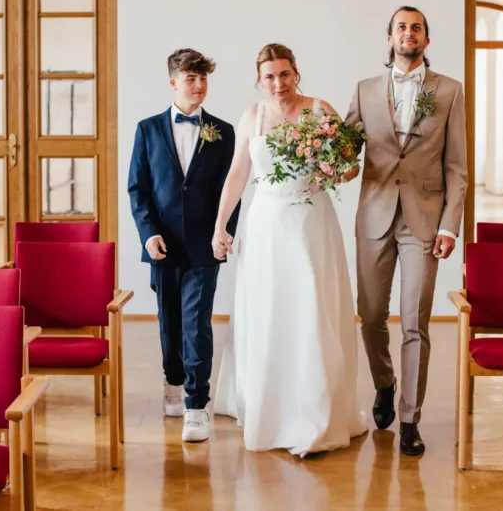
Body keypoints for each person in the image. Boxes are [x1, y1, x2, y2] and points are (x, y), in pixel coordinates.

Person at [211, 43, 368, 457]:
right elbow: (237, 174)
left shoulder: (320, 110)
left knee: (313, 307)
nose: (278, 83)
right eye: (269, 76)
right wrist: (220, 225)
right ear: (259, 80)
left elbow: (350, 165)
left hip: (311, 222)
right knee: (270, 309)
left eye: (284, 74)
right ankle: (270, 407)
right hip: (265, 225)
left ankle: (316, 411)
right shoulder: (253, 116)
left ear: (296, 73)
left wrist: (333, 167)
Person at [344, 6, 468, 456]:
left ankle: (410, 418)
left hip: (425, 221)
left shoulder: (449, 91)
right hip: (374, 217)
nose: (408, 33)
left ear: (426, 40)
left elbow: (457, 168)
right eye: (401, 27)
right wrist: (321, 163)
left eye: (417, 28)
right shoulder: (364, 90)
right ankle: (384, 382)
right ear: (390, 37)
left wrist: (450, 226)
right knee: (372, 316)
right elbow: (343, 152)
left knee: (415, 321)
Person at [127, 48, 239, 442]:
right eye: (191, 79)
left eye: (203, 78)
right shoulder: (147, 129)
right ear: (173, 82)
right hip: (163, 245)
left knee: (196, 322)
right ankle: (173, 380)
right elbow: (138, 190)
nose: (199, 86)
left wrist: (224, 232)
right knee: (169, 321)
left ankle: (196, 403)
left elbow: (233, 188)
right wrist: (148, 233)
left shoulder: (223, 131)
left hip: (206, 245)